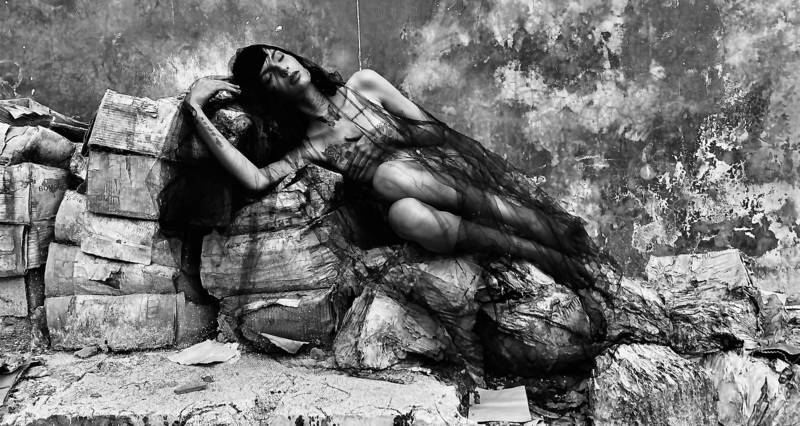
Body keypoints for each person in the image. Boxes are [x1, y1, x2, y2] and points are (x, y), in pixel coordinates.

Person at [183, 44, 618, 339]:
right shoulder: (309, 149)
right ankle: (519, 242)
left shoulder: (364, 85)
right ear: (269, 95)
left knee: (392, 174)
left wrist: (394, 143)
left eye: (280, 57)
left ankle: (533, 230)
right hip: (407, 212)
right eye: (270, 75)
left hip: (444, 175)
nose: (283, 68)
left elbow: (431, 131)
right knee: (402, 209)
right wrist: (195, 108)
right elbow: (255, 179)